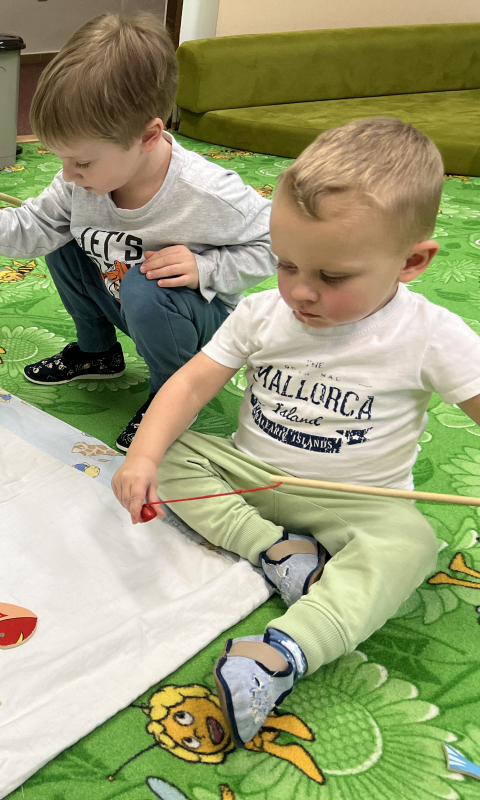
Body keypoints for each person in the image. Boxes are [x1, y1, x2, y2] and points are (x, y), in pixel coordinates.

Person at [111, 118, 480, 746]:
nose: (301, 292)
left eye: (332, 277)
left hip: (360, 501)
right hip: (252, 477)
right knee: (164, 452)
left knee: (413, 544)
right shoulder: (264, 312)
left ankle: (283, 651)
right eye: (286, 264)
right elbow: (191, 385)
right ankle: (276, 552)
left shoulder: (432, 335)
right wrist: (144, 456)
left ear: (412, 262)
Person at [0, 13, 276, 450]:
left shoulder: (208, 192)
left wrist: (207, 267)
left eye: (82, 162)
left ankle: (174, 393)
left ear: (148, 136)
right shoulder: (80, 185)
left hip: (195, 320)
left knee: (145, 283)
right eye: (61, 159)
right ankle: (98, 352)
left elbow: (279, 244)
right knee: (63, 239)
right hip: (125, 297)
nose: (68, 175)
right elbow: (32, 228)